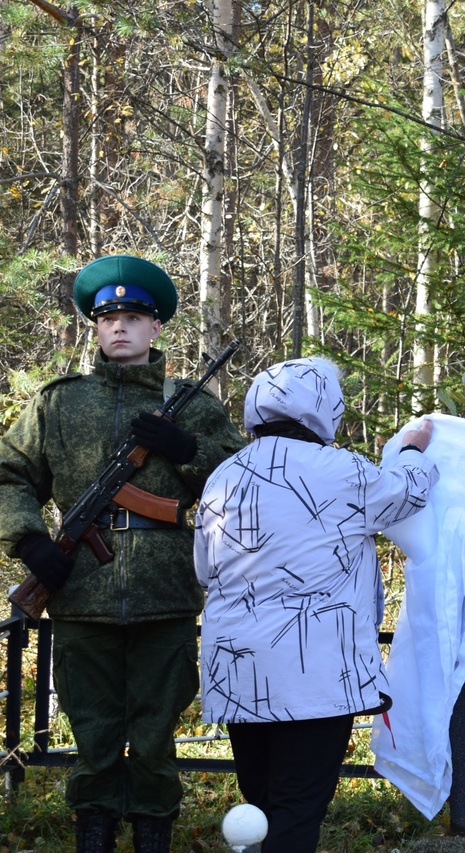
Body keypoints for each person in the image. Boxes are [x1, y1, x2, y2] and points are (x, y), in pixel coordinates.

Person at [0, 254, 244, 851]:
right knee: (94, 730)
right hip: (81, 589)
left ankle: (154, 832)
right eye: (108, 317)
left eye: (134, 316)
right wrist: (30, 541)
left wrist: (186, 449)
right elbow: (9, 474)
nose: (120, 327)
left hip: (164, 592)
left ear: (156, 328)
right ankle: (94, 833)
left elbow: (241, 486)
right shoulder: (57, 404)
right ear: (95, 326)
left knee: (156, 732)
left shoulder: (194, 404)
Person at [194, 357, 438, 853]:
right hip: (316, 671)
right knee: (298, 806)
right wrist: (412, 449)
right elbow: (410, 494)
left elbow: (204, 568)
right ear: (326, 408)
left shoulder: (223, 475)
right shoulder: (342, 470)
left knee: (259, 804)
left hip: (239, 670)